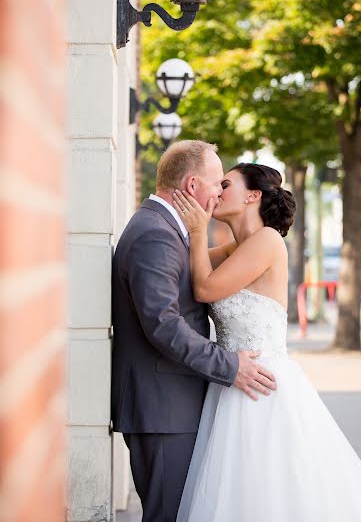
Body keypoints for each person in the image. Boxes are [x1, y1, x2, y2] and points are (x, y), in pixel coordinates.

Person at [173, 162, 361, 522]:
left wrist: (199, 232)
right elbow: (185, 268)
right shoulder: (236, 247)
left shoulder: (266, 240)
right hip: (232, 380)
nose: (217, 190)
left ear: (253, 196)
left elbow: (204, 288)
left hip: (262, 385)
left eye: (225, 184)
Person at [111, 142, 277, 522]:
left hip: (173, 403)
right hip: (162, 407)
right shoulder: (156, 234)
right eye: (217, 182)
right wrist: (229, 365)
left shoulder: (168, 229)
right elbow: (164, 325)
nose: (220, 191)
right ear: (191, 186)